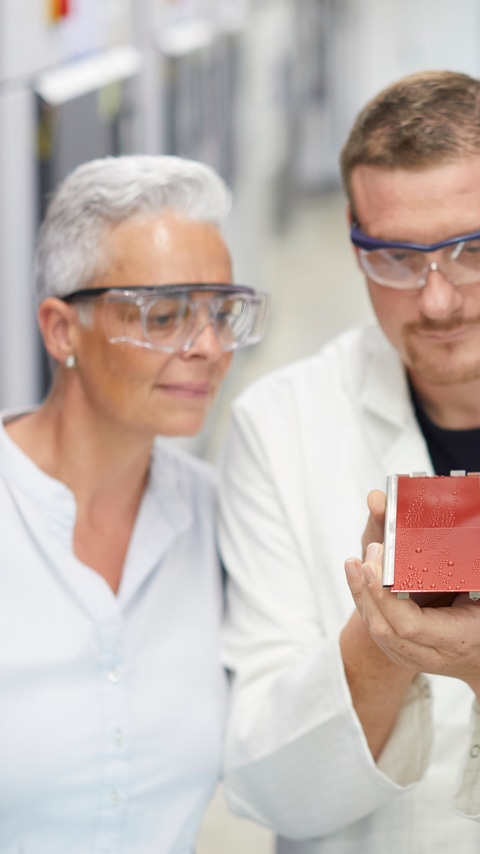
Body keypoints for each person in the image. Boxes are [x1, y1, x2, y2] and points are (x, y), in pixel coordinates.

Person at [218, 69, 480, 853]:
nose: (437, 301)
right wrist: (383, 639)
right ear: (353, 235)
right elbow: (265, 784)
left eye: (471, 251)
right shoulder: (281, 422)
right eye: (397, 258)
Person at [0, 154, 268, 853]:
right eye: (166, 315)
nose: (208, 347)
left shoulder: (216, 516)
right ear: (62, 330)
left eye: (221, 313)